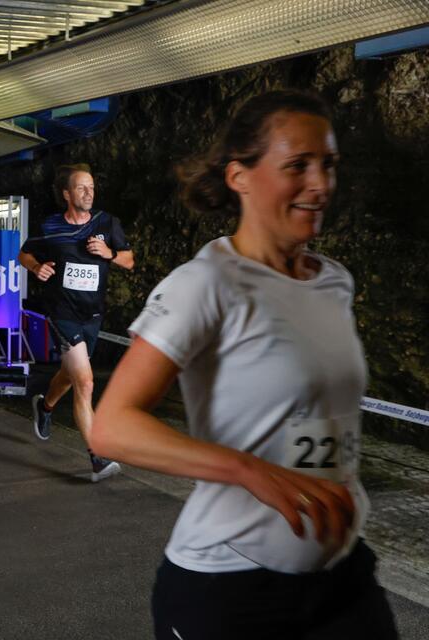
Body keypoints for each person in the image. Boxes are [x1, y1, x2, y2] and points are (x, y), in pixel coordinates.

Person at [91, 90, 398, 639]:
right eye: (297, 166)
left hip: (342, 578)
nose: (321, 185)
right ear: (241, 176)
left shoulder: (334, 282)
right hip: (233, 592)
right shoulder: (206, 284)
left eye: (328, 165)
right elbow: (113, 426)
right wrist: (248, 470)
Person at [18, 164, 135, 482]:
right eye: (82, 188)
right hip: (63, 314)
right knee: (85, 381)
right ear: (67, 194)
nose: (89, 193)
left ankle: (45, 406)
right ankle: (97, 457)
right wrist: (36, 267)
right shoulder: (50, 226)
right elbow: (24, 254)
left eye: (92, 188)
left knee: (70, 376)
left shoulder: (107, 223)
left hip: (92, 316)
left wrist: (110, 253)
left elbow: (129, 259)